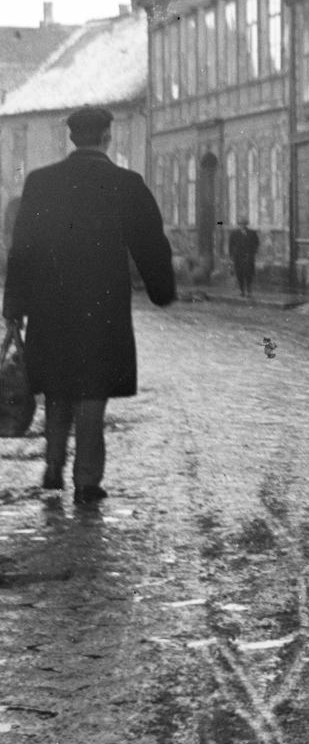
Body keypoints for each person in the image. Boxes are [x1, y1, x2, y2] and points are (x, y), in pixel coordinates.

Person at [2, 106, 175, 503]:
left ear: (71, 138)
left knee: (58, 387)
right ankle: (87, 480)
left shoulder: (41, 183)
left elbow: (22, 250)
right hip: (103, 309)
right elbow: (150, 243)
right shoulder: (126, 184)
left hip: (51, 308)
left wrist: (14, 304)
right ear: (107, 137)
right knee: (93, 393)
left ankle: (53, 463)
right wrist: (161, 289)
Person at [227, 216, 260, 299]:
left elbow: (256, 243)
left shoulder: (252, 233)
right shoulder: (234, 234)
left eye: (244, 224)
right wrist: (231, 257)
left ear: (246, 224)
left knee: (249, 274)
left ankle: (249, 290)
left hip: (249, 257)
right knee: (239, 274)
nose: (242, 225)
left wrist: (253, 252)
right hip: (238, 257)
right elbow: (231, 246)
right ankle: (242, 291)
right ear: (239, 225)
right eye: (240, 224)